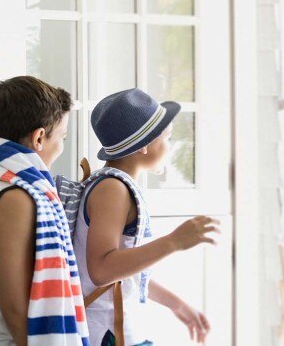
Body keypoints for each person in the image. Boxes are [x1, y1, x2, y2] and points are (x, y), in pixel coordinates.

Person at [0, 76, 90, 345]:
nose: (61, 146)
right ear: (39, 137)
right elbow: (14, 308)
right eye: (63, 137)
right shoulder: (17, 198)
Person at [74, 88, 218, 345]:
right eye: (167, 138)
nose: (170, 147)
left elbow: (125, 271)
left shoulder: (113, 185)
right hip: (107, 333)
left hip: (118, 330)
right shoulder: (113, 189)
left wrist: (176, 304)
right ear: (143, 145)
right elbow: (102, 270)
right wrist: (174, 241)